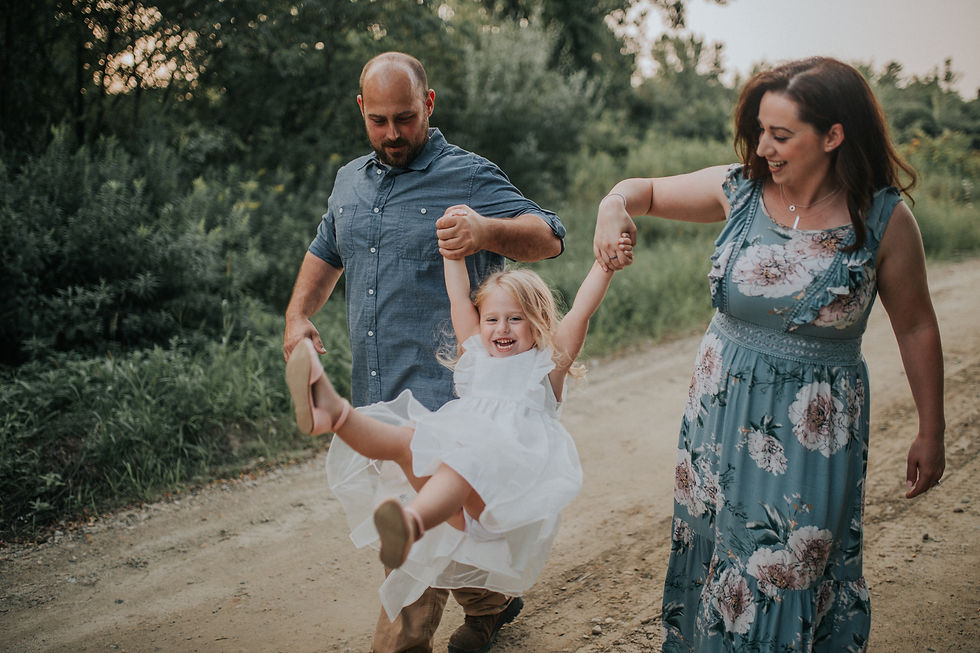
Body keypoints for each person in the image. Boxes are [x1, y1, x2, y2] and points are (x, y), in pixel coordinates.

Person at [593, 57, 945, 652]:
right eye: (760, 130)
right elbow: (642, 191)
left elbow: (915, 326)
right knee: (715, 559)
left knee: (784, 568)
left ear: (833, 136)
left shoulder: (884, 220)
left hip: (812, 434)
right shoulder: (739, 190)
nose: (763, 147)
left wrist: (931, 431)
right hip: (717, 414)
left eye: (781, 135)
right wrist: (612, 207)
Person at [282, 51, 566, 653]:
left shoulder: (469, 175)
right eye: (379, 120)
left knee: (414, 549)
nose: (393, 133)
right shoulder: (349, 181)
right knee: (456, 529)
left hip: (451, 400)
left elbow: (549, 235)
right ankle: (492, 603)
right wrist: (298, 315)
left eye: (405, 118)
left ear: (429, 104)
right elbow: (327, 250)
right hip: (379, 393)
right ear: (361, 109)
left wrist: (486, 231)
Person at [285, 242, 626, 627]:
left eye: (515, 318)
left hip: (501, 503)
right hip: (458, 500)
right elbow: (458, 296)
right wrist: (452, 252)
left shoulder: (545, 368)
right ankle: (333, 414)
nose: (501, 328)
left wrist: (605, 265)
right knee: (407, 440)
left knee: (466, 460)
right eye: (492, 319)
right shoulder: (476, 355)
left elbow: (580, 311)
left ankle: (410, 524)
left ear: (537, 321)